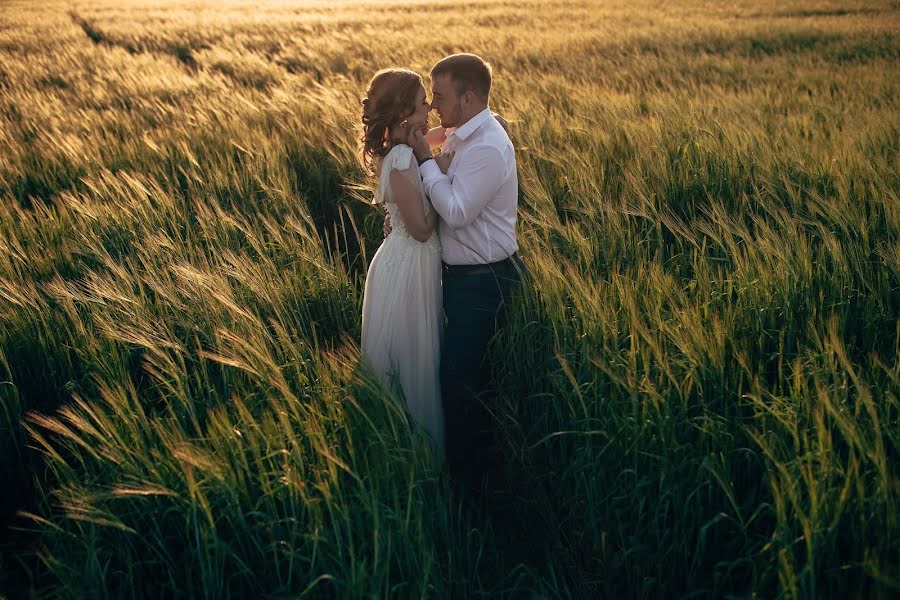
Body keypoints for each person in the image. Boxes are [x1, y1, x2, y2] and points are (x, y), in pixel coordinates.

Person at [405, 53, 528, 498]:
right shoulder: (464, 132)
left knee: (461, 381)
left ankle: (477, 489)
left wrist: (421, 158)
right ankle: (469, 475)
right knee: (461, 376)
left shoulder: (488, 147)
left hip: (484, 280)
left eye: (440, 96)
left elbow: (455, 212)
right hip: (463, 278)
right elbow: (437, 137)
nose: (434, 105)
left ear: (469, 96)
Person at [358, 68, 454, 453]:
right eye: (421, 103)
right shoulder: (399, 157)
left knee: (413, 359)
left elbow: (446, 136)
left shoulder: (404, 148)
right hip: (410, 263)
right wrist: (443, 195)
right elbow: (421, 228)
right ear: (403, 114)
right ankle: (420, 455)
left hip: (407, 260)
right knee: (416, 363)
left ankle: (402, 450)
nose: (430, 106)